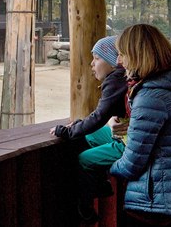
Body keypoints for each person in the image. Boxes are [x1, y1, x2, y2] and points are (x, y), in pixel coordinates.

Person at [110, 24, 171, 227]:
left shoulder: (151, 96)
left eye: (122, 54)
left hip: (152, 202)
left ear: (137, 55)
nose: (118, 61)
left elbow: (132, 164)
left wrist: (110, 167)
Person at [50, 36, 128, 223]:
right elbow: (98, 119)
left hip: (128, 143)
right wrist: (78, 125)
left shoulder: (116, 80)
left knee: (84, 159)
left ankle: (85, 209)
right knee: (91, 134)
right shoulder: (121, 79)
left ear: (111, 60)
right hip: (124, 133)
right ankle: (101, 183)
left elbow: (99, 117)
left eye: (97, 58)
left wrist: (68, 131)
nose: (92, 64)